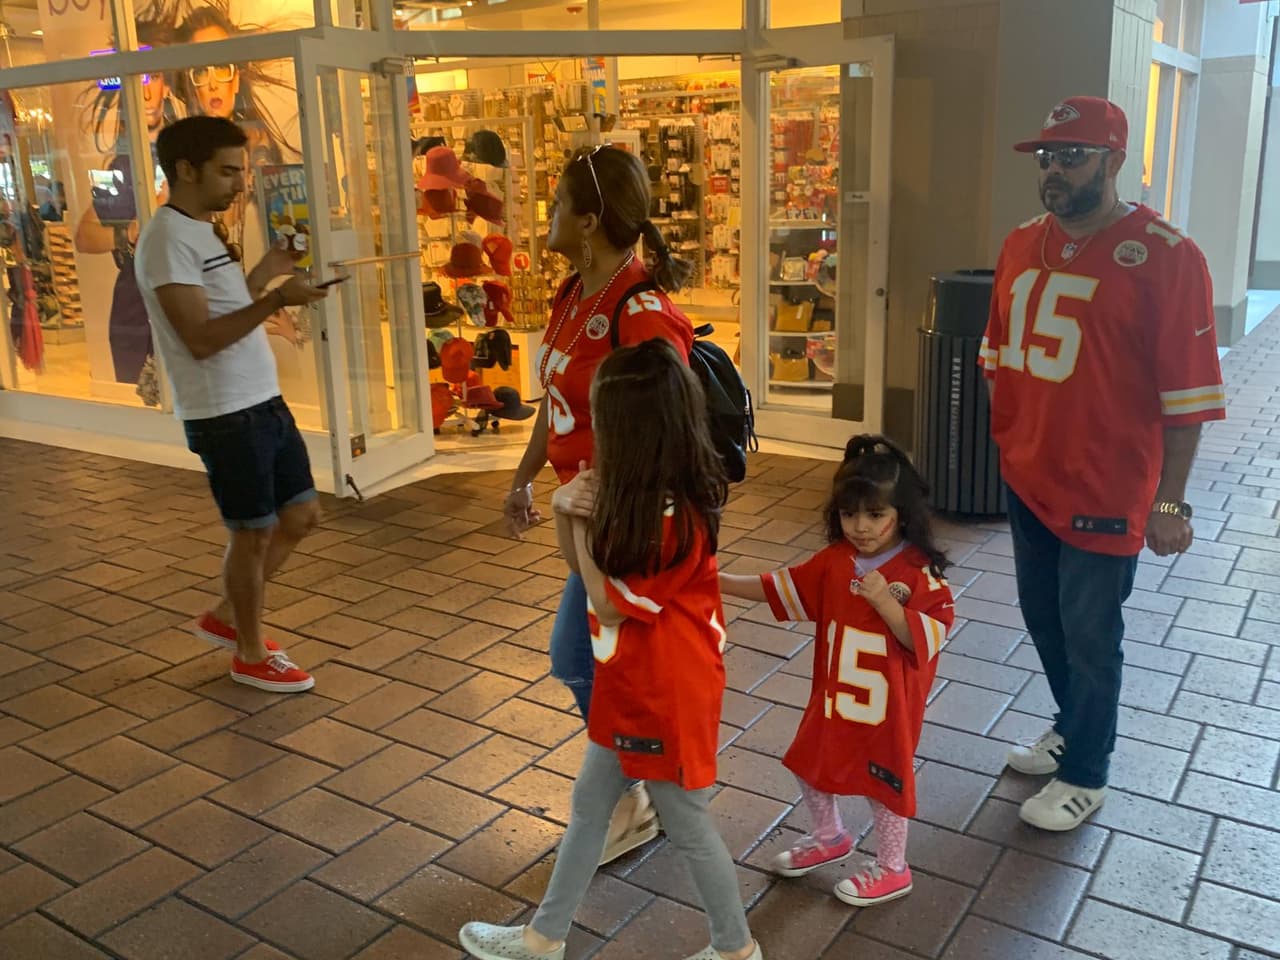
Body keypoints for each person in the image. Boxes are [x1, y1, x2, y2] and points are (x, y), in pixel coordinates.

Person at [461, 339, 761, 960]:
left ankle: (735, 950)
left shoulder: (675, 513)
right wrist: (568, 511)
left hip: (665, 693)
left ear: (633, 427)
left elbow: (605, 599)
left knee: (686, 823)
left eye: (602, 415)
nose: (591, 425)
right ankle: (544, 938)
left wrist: (566, 513)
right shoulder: (636, 488)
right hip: (630, 678)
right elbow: (585, 573)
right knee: (590, 806)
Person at [981, 97, 1226, 831]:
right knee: (1043, 617)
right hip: (1030, 475)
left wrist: (1171, 501)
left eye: (1073, 156)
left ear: (1115, 161)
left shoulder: (1167, 256)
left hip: (1108, 484)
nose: (1054, 171)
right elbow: (998, 358)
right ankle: (1071, 727)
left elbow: (1187, 396)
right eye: (1047, 158)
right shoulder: (1022, 243)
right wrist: (1012, 441)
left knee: (1091, 632)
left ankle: (1088, 769)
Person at [504, 144, 696, 863]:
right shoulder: (572, 293)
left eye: (554, 205)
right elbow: (553, 400)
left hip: (624, 526)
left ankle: (638, 794)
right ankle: (656, 783)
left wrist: (607, 503)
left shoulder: (640, 310)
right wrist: (525, 476)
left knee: (581, 658)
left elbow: (669, 426)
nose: (544, 218)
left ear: (588, 221)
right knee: (603, 663)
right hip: (586, 517)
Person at [134, 116, 331, 693]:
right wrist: (275, 299)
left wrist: (270, 269)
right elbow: (199, 339)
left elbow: (225, 306)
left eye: (240, 172)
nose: (237, 184)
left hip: (260, 401)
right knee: (253, 533)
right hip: (224, 412)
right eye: (226, 171)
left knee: (300, 516)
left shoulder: (197, 230)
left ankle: (226, 615)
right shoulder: (167, 240)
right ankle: (248, 649)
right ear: (185, 170)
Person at [721, 436, 955, 908]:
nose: (861, 527)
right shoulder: (834, 561)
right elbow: (779, 589)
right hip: (834, 698)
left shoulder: (919, 572)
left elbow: (926, 640)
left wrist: (886, 602)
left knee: (883, 783)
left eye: (875, 515)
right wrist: (715, 580)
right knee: (809, 762)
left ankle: (893, 867)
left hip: (887, 709)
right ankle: (830, 836)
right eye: (850, 515)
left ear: (902, 514)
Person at [76, 19, 179, 386]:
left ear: (166, 85)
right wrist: (129, 233)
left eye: (152, 78)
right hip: (134, 304)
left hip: (183, 294)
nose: (145, 91)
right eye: (137, 80)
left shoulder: (189, 147)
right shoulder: (123, 160)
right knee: (141, 397)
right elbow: (84, 237)